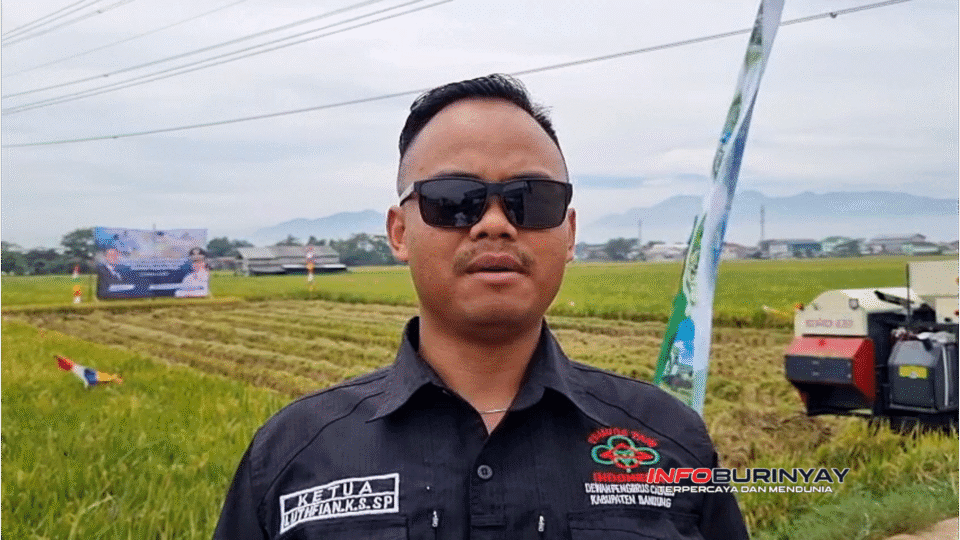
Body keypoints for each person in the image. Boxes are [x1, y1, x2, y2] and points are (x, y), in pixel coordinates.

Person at [214, 74, 748, 539]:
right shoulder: (294, 455)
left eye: (531, 199)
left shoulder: (670, 441)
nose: (495, 223)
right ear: (399, 233)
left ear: (569, 233)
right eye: (453, 200)